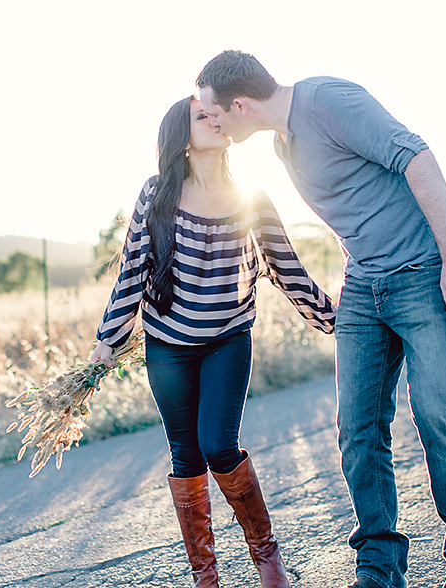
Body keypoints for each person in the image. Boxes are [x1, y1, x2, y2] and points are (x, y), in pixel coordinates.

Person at [195, 51, 446, 588]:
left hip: (426, 272)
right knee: (357, 428)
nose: (211, 122)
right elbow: (351, 207)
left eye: (213, 112)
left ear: (239, 104)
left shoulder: (327, 99)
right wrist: (356, 272)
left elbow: (418, 158)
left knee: (438, 415)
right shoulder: (282, 142)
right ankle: (379, 566)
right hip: (365, 287)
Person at [89, 95, 335, 588]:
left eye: (216, 113)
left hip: (227, 339)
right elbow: (132, 270)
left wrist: (335, 318)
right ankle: (206, 575)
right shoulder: (156, 193)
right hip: (167, 347)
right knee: (186, 457)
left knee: (219, 446)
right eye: (203, 115)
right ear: (183, 136)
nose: (215, 119)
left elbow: (286, 268)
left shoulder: (252, 198)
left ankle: (266, 556)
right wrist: (107, 341)